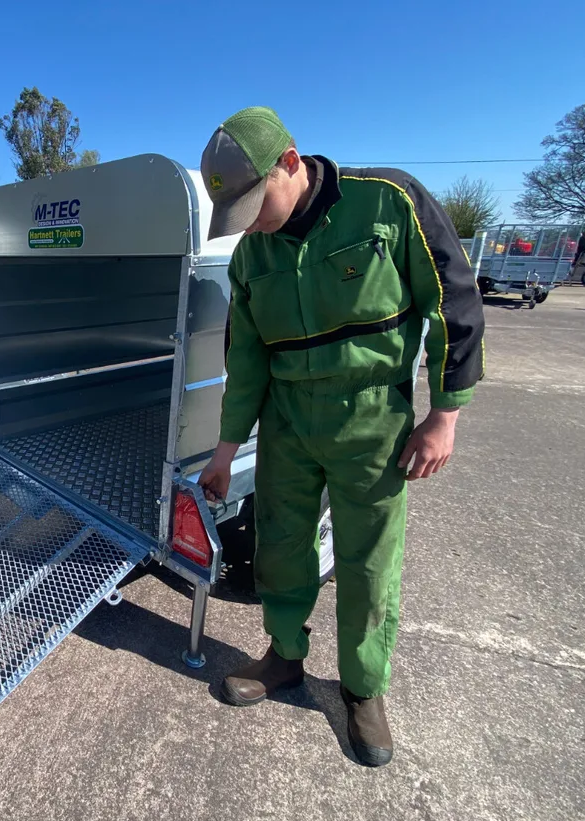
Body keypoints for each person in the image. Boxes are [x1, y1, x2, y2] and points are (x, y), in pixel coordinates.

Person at [197, 107, 485, 767]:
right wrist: (223, 450)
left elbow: (453, 304)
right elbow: (245, 361)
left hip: (372, 422)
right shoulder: (251, 255)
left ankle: (362, 690)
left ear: (289, 162)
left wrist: (445, 414)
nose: (251, 222)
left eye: (255, 201)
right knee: (283, 548)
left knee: (367, 563)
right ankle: (284, 659)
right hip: (288, 424)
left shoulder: (389, 203)